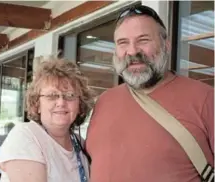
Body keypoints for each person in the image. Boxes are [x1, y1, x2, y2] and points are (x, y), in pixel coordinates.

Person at [85, 5, 214, 182]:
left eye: (143, 40)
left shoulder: (206, 98)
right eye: (123, 43)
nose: (132, 51)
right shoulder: (104, 101)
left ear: (166, 45)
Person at [0, 57, 94, 182]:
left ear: (80, 105)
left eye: (70, 95)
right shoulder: (25, 135)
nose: (61, 102)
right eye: (51, 96)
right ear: (37, 104)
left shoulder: (80, 143)